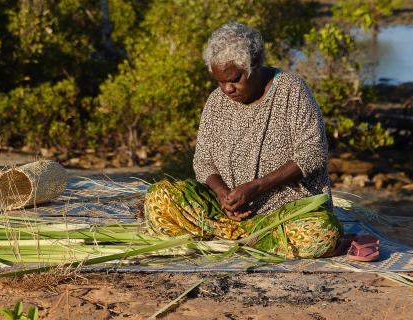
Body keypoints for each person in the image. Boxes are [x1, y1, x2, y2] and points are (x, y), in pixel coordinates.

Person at [142, 22, 342, 258]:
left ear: (255, 64)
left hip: (286, 210)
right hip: (226, 214)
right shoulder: (216, 102)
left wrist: (256, 187)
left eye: (235, 79)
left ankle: (243, 237)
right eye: (220, 81)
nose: (227, 89)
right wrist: (222, 194)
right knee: (159, 199)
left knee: (321, 233)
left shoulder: (291, 90)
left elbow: (312, 153)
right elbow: (203, 161)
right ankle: (241, 235)